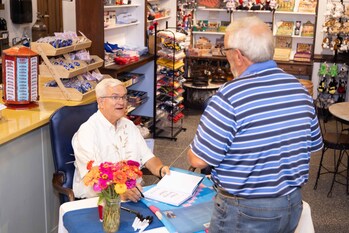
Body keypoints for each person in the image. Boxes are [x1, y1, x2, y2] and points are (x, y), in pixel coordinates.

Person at [187, 16, 323, 233]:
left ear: (238, 56)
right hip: (291, 203)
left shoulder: (230, 95)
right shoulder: (300, 90)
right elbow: (314, 145)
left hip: (245, 210)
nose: (226, 57)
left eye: (226, 51)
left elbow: (199, 159)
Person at [72, 78, 170, 202]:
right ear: (100, 102)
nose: (122, 102)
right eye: (115, 97)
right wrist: (121, 191)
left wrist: (160, 169)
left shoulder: (129, 125)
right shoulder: (87, 131)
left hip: (133, 195)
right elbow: (93, 177)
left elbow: (148, 157)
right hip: (100, 200)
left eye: (124, 97)